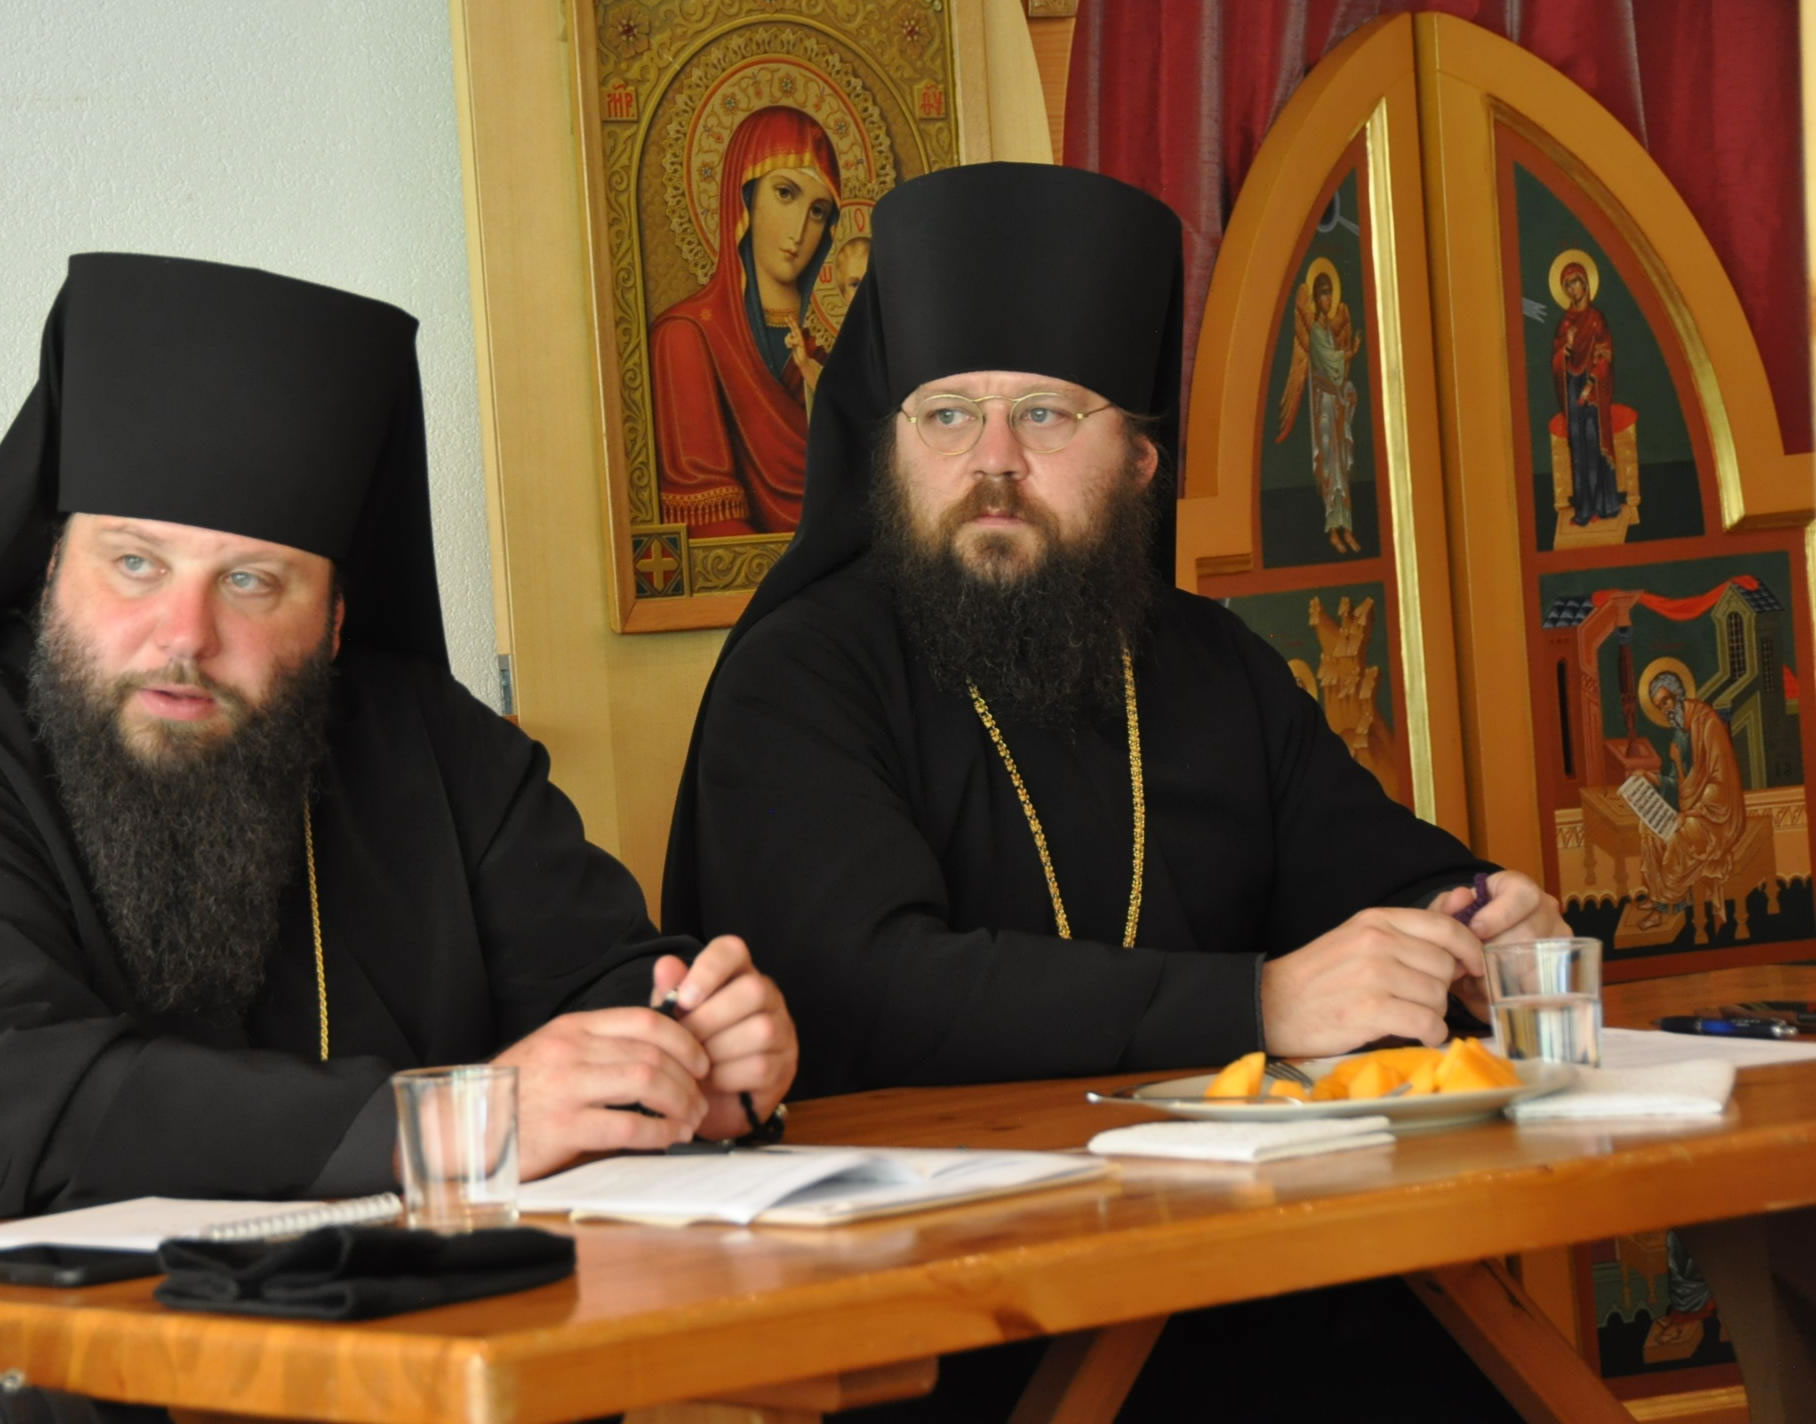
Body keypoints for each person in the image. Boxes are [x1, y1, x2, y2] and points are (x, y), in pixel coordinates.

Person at [663, 158, 1570, 1423]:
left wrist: (1476, 916)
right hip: (940, 1293)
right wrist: (1260, 1001)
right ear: (891, 451)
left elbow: (1372, 864)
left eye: (1043, 415)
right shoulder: (800, 675)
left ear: (1139, 459)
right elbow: (865, 985)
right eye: (945, 416)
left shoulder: (1209, 664)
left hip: (1255, 1264)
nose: (990, 461)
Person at [0, 254, 797, 1255]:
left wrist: (693, 1048)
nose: (185, 635)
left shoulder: (428, 743)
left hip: (415, 1343)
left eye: (250, 582)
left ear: (332, 620)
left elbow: (596, 979)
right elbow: (21, 1116)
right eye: (136, 563)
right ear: (52, 567)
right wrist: (460, 1121)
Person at [650, 105, 840, 537]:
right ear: (744, 198)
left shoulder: (815, 359)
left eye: (818, 211)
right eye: (785, 193)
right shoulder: (686, 337)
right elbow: (708, 523)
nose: (799, 230)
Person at [1635, 669, 1745, 935]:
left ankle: (1665, 906)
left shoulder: (1708, 724)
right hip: (1692, 810)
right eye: (1659, 706)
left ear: (1678, 695)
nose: (1665, 709)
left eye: (1666, 701)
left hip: (1717, 816)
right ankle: (1659, 894)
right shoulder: (1680, 733)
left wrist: (1693, 812)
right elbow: (1678, 785)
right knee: (1648, 829)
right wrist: (1653, 778)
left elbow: (1720, 784)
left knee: (1679, 838)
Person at [1275, 265, 1364, 553]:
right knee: (1330, 469)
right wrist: (1351, 352)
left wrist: (1346, 393)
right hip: (1324, 408)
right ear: (1315, 298)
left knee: (1343, 470)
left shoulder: (1329, 330)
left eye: (1329, 293)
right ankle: (1333, 531)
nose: (1327, 299)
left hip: (1336, 405)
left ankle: (1347, 528)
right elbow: (1330, 362)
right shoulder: (1315, 332)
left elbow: (1339, 373)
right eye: (1322, 293)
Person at [1552, 258, 1621, 526]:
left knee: (1594, 445)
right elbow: (1558, 359)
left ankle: (1603, 504)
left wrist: (1591, 384)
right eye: (1567, 285)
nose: (1573, 289)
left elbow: (1606, 354)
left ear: (1585, 283)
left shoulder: (1596, 319)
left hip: (1592, 389)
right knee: (1578, 448)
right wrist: (1565, 348)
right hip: (1572, 385)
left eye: (1576, 282)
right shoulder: (1565, 323)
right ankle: (1583, 508)